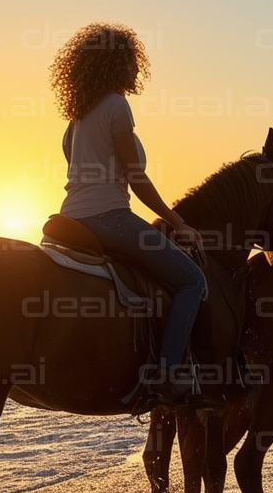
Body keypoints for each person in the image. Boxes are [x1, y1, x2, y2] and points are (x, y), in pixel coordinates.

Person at [49, 21, 207, 408]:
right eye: (133, 61)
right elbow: (136, 179)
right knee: (192, 281)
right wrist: (178, 222)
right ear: (117, 63)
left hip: (69, 220)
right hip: (111, 219)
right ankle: (169, 374)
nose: (138, 70)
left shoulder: (77, 117)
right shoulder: (117, 106)